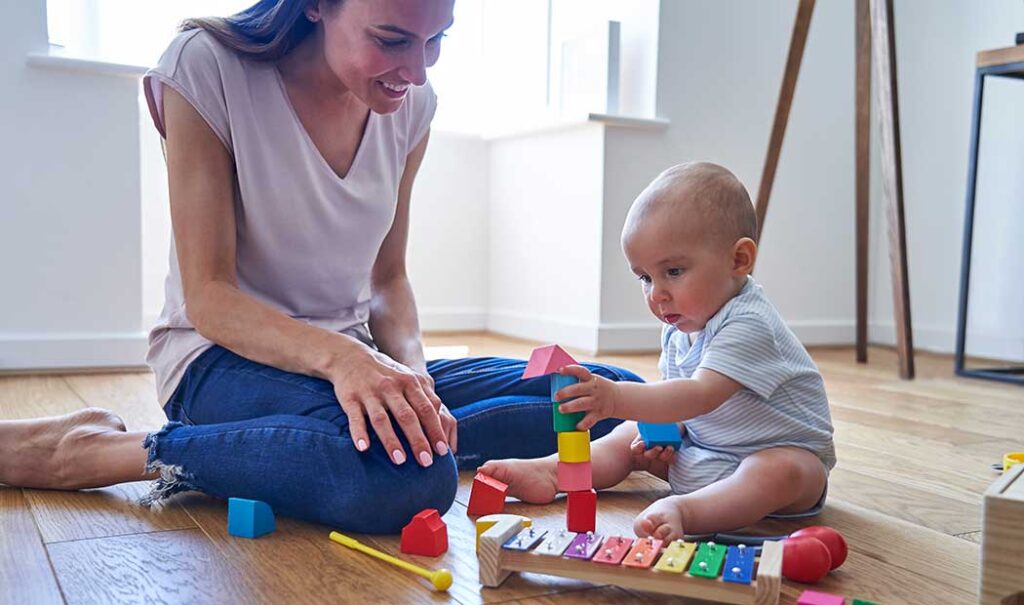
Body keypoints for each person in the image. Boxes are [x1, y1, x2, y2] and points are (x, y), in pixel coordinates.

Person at [0, 0, 642, 533]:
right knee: (409, 479)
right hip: (219, 359)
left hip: (352, 355)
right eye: (392, 40)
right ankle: (109, 451)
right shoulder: (204, 67)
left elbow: (388, 282)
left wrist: (412, 379)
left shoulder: (413, 105)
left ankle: (324, 446)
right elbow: (209, 295)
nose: (415, 72)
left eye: (436, 41)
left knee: (607, 396)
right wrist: (345, 361)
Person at [480, 162, 836, 540]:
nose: (657, 294)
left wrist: (615, 396)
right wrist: (658, 440)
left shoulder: (750, 323)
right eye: (645, 278)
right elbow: (675, 407)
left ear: (739, 260)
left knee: (782, 470)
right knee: (629, 432)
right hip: (707, 455)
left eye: (674, 272)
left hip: (780, 468)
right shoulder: (680, 327)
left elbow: (698, 396)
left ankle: (686, 510)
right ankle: (554, 471)